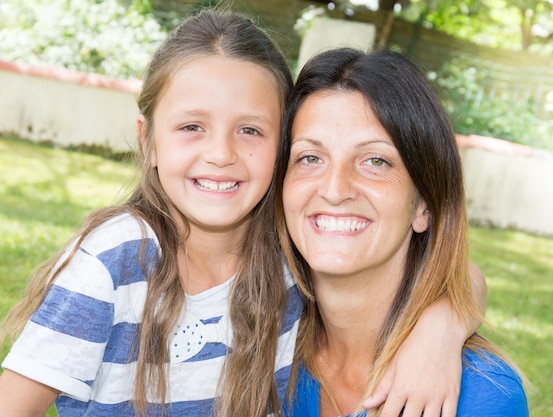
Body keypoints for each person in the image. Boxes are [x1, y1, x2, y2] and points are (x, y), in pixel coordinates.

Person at [0, 8, 486, 417]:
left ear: (281, 150)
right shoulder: (114, 260)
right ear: (148, 140)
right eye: (192, 126)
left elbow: (454, 270)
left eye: (250, 130)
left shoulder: (286, 260)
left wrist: (438, 332)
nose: (220, 154)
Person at [277, 47, 529, 417]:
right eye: (310, 158)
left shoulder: (480, 398)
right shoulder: (260, 351)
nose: (334, 188)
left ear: (423, 205)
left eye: (375, 161)